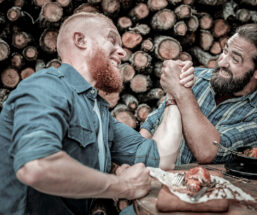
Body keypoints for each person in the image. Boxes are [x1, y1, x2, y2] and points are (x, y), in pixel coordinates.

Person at [0, 12, 194, 215]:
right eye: (112, 40)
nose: (122, 52)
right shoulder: (46, 86)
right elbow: (36, 167)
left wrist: (175, 94)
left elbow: (161, 158)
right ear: (80, 40)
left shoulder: (99, 112)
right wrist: (121, 185)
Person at [140, 24, 257, 165]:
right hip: (155, 176)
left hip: (203, 185)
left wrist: (182, 93)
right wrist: (136, 161)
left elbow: (208, 151)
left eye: (235, 59)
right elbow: (151, 124)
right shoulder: (196, 77)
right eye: (225, 51)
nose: (222, 62)